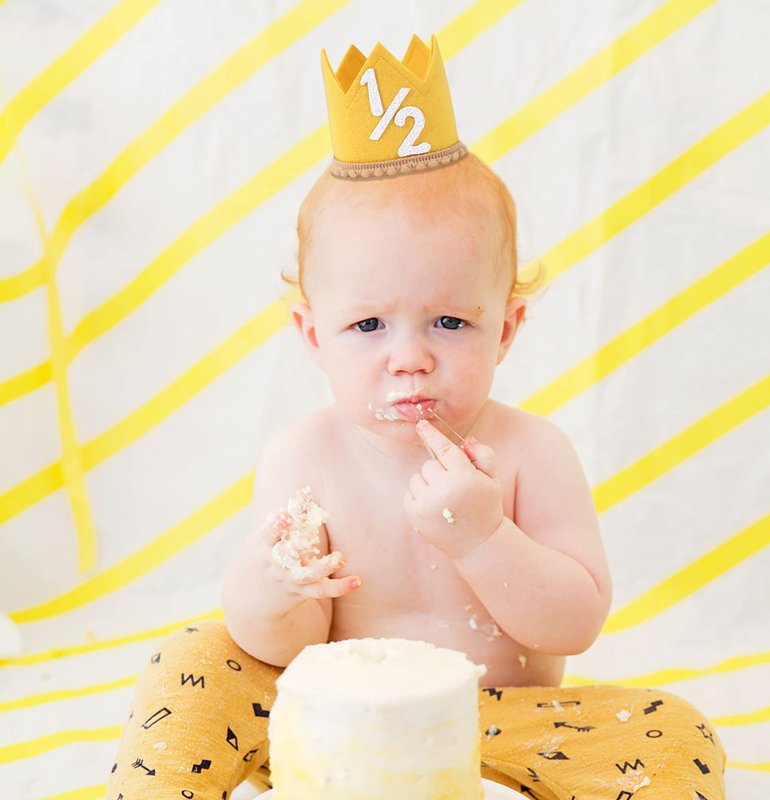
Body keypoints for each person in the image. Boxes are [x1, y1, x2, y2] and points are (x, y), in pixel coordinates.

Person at [106, 35, 726, 800]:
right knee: (192, 660)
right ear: (313, 335)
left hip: (500, 728)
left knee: (676, 730)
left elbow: (574, 625)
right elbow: (285, 646)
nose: (410, 358)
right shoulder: (305, 456)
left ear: (505, 329)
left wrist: (484, 537)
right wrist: (274, 588)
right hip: (328, 728)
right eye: (368, 325)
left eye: (450, 323)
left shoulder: (532, 452)